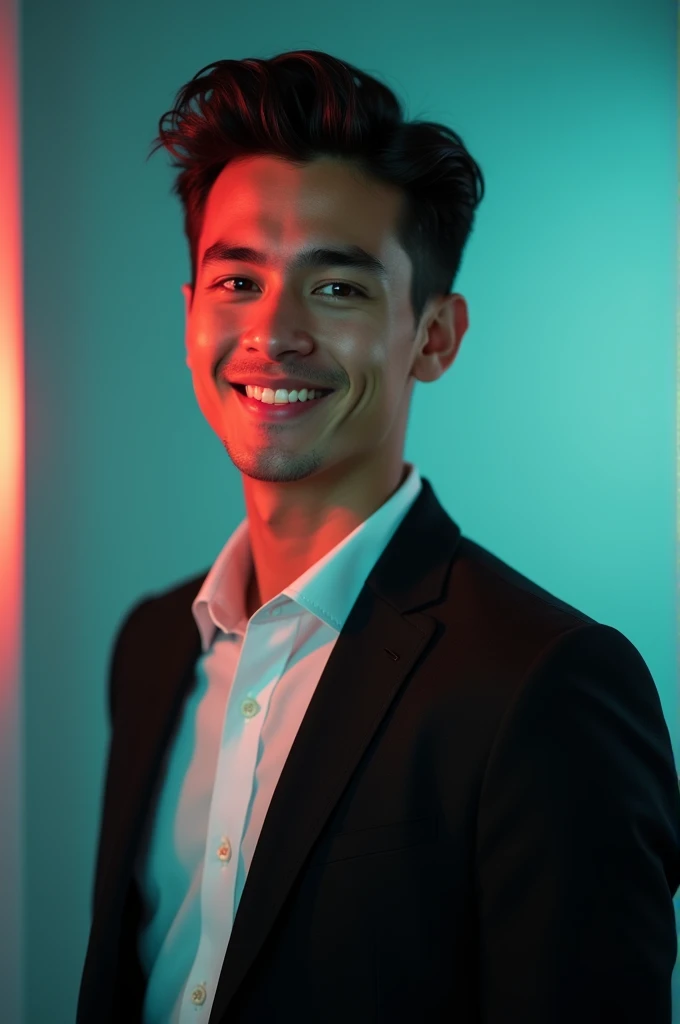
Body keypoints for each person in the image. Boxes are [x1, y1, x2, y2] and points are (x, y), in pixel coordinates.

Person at [76, 49, 680, 1024]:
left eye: (337, 288)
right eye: (236, 281)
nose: (272, 333)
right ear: (190, 314)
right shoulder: (151, 646)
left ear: (433, 336)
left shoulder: (548, 685)